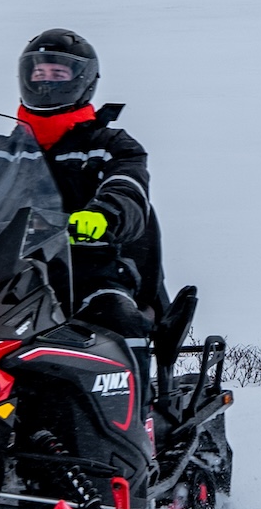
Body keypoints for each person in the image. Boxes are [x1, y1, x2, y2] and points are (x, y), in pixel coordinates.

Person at [15, 29, 161, 337]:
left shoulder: (111, 146)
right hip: (12, 274)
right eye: (39, 72)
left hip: (94, 269)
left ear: (81, 80)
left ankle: (138, 382)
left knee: (115, 315)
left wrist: (104, 213)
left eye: (57, 73)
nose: (46, 82)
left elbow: (127, 187)